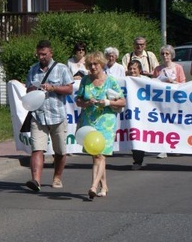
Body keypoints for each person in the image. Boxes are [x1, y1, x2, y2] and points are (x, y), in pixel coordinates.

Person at [24, 40, 74, 192]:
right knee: (37, 149)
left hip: (57, 115)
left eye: (44, 54)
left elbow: (69, 89)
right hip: (38, 115)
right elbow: (28, 91)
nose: (41, 57)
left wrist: (53, 87)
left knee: (60, 150)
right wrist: (33, 88)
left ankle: (57, 177)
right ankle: (36, 181)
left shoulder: (61, 68)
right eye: (39, 54)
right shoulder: (33, 69)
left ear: (51, 53)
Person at [75, 52, 126, 199]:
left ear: (101, 64)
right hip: (89, 120)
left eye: (95, 64)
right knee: (96, 154)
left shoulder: (111, 81)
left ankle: (93, 186)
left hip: (106, 121)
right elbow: (78, 100)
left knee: (99, 154)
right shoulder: (85, 80)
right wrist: (86, 103)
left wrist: (108, 102)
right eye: (90, 65)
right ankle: (104, 186)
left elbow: (122, 101)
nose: (92, 67)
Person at [126, 60, 148, 169]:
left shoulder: (146, 81)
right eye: (130, 69)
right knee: (133, 136)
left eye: (134, 68)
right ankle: (137, 160)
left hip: (144, 114)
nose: (132, 71)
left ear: (140, 70)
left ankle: (138, 160)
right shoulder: (124, 81)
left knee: (141, 136)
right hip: (130, 114)